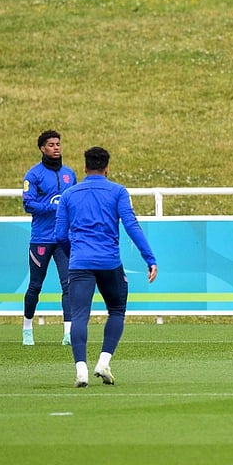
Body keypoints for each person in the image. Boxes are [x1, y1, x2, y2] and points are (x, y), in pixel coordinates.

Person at [55, 146, 158, 387]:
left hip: (80, 262)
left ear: (84, 167)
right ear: (107, 168)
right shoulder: (118, 191)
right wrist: (149, 258)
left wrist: (74, 254)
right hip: (109, 262)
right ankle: (103, 362)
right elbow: (131, 225)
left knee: (79, 316)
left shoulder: (69, 195)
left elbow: (59, 235)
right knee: (117, 310)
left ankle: (81, 370)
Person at [21, 130, 77, 346]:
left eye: (58, 144)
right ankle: (27, 329)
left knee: (69, 284)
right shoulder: (33, 175)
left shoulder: (69, 174)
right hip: (41, 238)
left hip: (64, 239)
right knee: (35, 285)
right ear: (42, 148)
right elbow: (28, 204)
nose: (56, 148)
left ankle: (68, 332)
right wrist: (53, 207)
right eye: (51, 145)